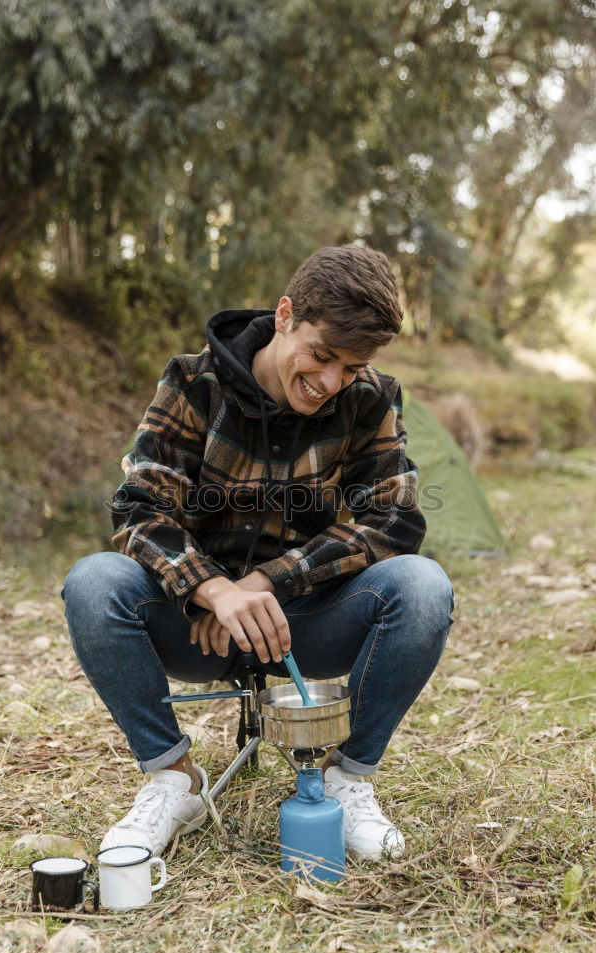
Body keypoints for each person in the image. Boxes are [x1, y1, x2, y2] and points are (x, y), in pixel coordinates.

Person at [62, 244, 454, 862]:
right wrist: (212, 590)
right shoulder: (192, 383)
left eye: (350, 369)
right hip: (194, 626)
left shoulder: (373, 398)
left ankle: (346, 780)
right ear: (284, 314)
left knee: (424, 586)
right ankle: (173, 778)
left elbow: (396, 520)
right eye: (321, 356)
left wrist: (266, 584)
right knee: (93, 581)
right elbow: (139, 509)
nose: (330, 384)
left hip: (301, 624)